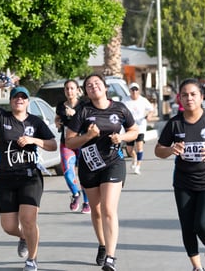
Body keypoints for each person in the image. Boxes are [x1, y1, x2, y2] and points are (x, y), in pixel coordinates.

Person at [0, 79, 57, 271]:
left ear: (28, 101)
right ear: (10, 101)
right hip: (5, 177)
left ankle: (32, 259)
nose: (19, 100)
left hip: (30, 176)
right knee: (8, 226)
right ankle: (23, 236)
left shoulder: (35, 122)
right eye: (16, 97)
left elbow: (53, 145)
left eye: (23, 97)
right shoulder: (1, 118)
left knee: (28, 219)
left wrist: (33, 140)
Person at [65, 73, 138, 271]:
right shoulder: (83, 111)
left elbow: (135, 130)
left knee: (108, 208)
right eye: (89, 85)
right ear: (86, 92)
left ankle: (111, 258)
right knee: (96, 211)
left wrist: (121, 137)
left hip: (113, 163)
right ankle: (103, 244)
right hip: (89, 166)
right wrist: (88, 135)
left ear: (105, 88)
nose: (93, 86)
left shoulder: (120, 108)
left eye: (97, 83)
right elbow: (69, 141)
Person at [155, 78, 205, 271]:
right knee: (188, 227)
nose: (189, 98)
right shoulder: (175, 124)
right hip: (183, 183)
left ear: (201, 97)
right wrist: (171, 149)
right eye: (185, 95)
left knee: (203, 225)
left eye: (193, 94)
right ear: (179, 98)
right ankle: (197, 267)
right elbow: (158, 150)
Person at [55, 79, 90, 213]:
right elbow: (57, 118)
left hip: (83, 143)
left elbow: (89, 120)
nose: (69, 91)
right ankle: (76, 194)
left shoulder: (84, 105)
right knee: (68, 173)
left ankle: (87, 202)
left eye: (72, 88)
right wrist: (57, 123)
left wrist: (75, 115)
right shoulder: (60, 105)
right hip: (67, 143)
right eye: (67, 89)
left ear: (77, 90)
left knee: (83, 174)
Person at [122, 82, 154, 175]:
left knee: (139, 146)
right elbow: (119, 109)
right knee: (129, 149)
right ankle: (134, 157)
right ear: (129, 91)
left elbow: (151, 109)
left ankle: (138, 166)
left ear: (139, 91)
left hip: (140, 127)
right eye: (132, 90)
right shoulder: (125, 100)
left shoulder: (143, 100)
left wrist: (149, 116)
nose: (134, 91)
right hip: (130, 127)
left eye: (136, 90)